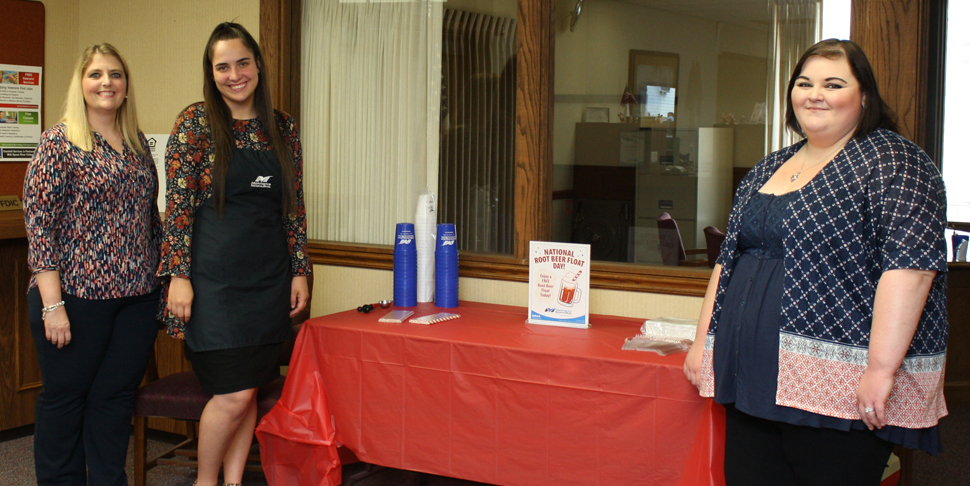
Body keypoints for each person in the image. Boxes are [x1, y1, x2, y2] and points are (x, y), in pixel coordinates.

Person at [683, 39, 948, 485]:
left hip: (836, 389)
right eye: (804, 83)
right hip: (751, 379)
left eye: (833, 83)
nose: (814, 93)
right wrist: (702, 343)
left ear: (864, 96)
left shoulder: (894, 161)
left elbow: (912, 268)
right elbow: (727, 263)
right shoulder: (771, 166)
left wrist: (881, 371)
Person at [157, 22, 310, 486]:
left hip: (268, 281)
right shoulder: (195, 124)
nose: (234, 74)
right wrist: (178, 275)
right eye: (222, 66)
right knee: (234, 393)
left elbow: (294, 207)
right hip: (214, 284)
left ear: (258, 65)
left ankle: (233, 481)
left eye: (243, 62)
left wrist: (299, 271)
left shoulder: (281, 127)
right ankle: (207, 482)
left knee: (247, 393)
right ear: (211, 73)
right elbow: (178, 206)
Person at [23, 44, 162, 485]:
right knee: (65, 400)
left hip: (136, 299)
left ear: (126, 86)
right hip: (75, 298)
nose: (107, 83)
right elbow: (40, 227)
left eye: (116, 75)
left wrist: (163, 284)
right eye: (96, 74)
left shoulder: (139, 144)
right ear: (81, 84)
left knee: (115, 400)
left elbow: (150, 221)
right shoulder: (58, 142)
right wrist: (52, 305)